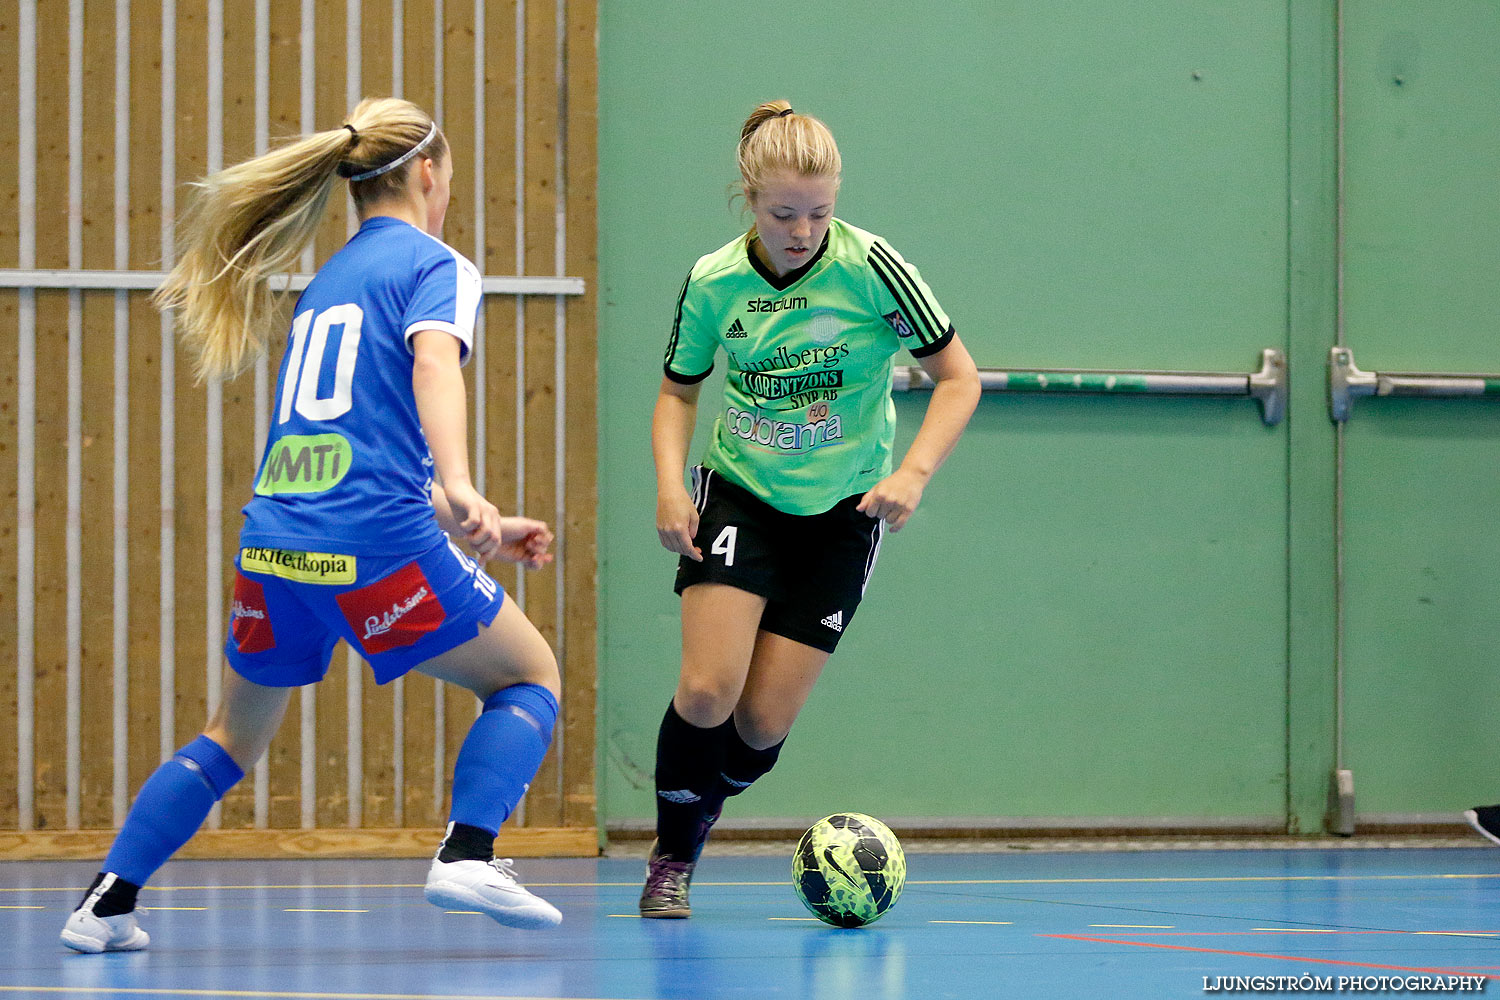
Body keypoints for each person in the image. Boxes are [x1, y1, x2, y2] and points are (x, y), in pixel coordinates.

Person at [61, 97, 563, 953]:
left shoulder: (328, 283)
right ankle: (468, 851)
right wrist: (463, 480)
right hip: (371, 543)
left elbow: (354, 453)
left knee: (231, 735)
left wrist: (474, 515)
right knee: (529, 678)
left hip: (276, 543)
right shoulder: (436, 263)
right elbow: (437, 363)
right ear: (429, 174)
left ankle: (104, 903)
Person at [641, 99, 981, 917]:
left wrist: (914, 473)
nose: (802, 230)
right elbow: (676, 391)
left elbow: (959, 378)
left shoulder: (871, 270)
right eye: (783, 212)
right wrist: (667, 481)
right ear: (748, 199)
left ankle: (706, 798)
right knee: (706, 692)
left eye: (819, 212)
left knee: (758, 729)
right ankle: (671, 856)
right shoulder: (716, 281)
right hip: (742, 494)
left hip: (843, 510)